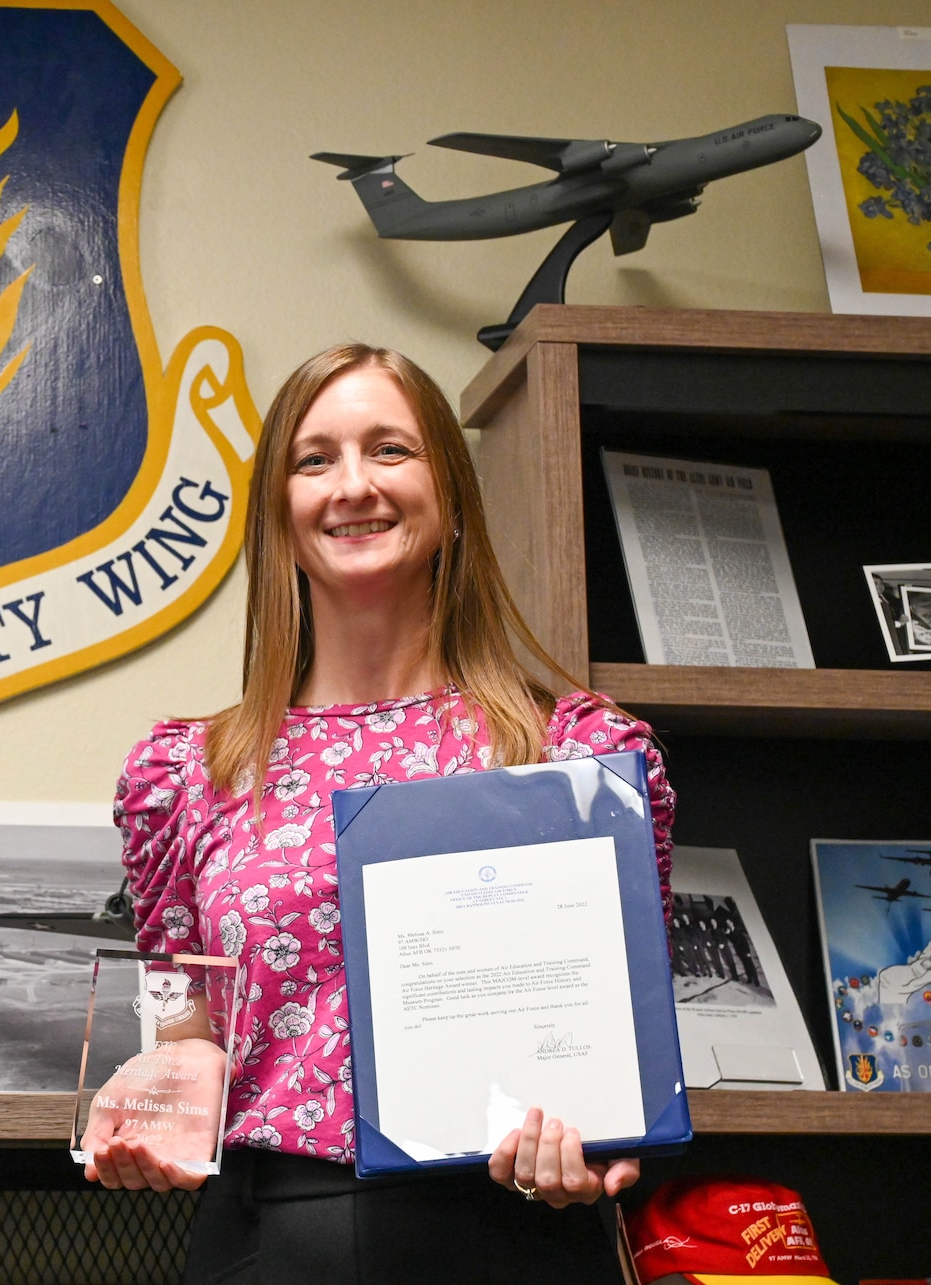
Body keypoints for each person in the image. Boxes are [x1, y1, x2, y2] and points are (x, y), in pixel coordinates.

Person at [84, 343, 675, 1284]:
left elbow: (618, 1033)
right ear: (279, 511)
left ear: (450, 496)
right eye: (314, 459)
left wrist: (596, 1135)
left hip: (513, 1234)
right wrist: (172, 1071)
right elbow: (183, 1014)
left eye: (389, 450)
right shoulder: (192, 771)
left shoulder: (571, 755)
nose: (352, 485)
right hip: (268, 1240)